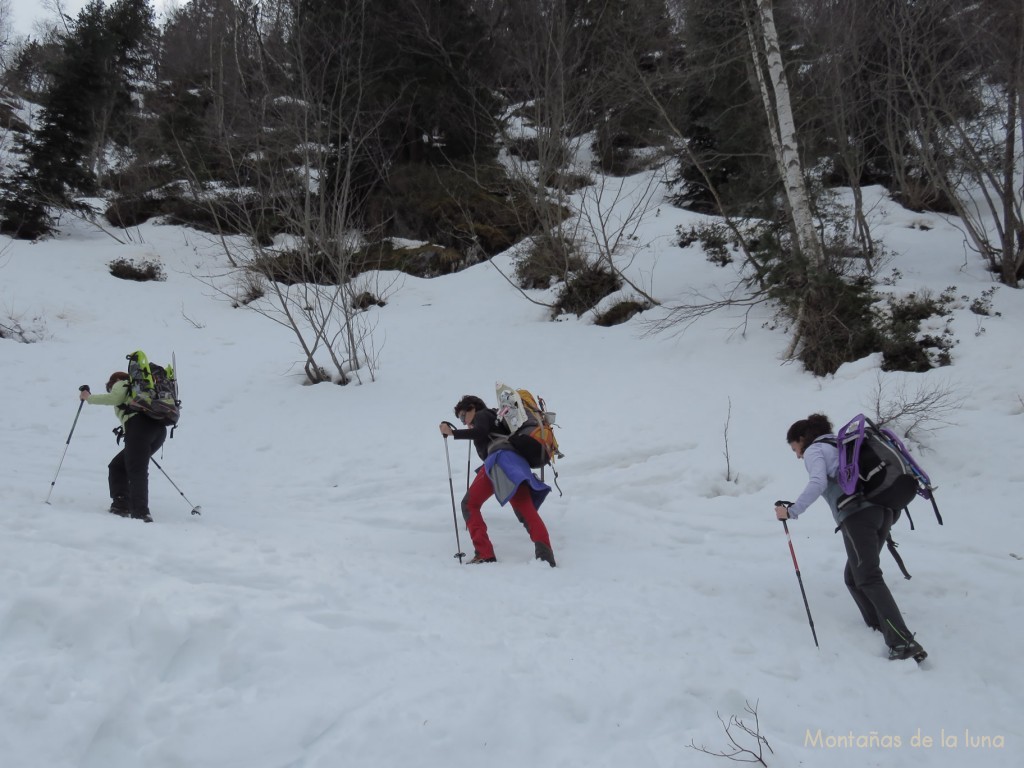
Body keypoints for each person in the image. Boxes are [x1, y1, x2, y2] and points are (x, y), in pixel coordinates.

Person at [775, 413, 927, 662]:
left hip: (858, 516)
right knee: (854, 577)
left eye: (795, 448)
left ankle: (902, 641)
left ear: (802, 438)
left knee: (867, 577)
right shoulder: (841, 446)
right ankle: (881, 626)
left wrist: (791, 511)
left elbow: (817, 482)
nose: (798, 455)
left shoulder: (816, 450)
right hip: (883, 513)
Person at [439, 395, 556, 566]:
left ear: (473, 408)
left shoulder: (483, 415)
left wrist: (453, 433)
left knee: (469, 504)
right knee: (525, 509)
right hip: (515, 463)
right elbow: (482, 433)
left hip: (500, 460)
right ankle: (545, 557)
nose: (464, 422)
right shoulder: (497, 419)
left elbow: (480, 432)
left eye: (463, 416)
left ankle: (484, 553)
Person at [80, 371, 167, 523]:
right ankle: (121, 504)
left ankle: (140, 513)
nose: (111, 388)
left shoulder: (122, 382)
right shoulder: (143, 392)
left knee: (136, 470)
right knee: (118, 466)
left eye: (110, 385)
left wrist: (88, 397)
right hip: (159, 431)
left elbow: (115, 398)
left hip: (139, 429)